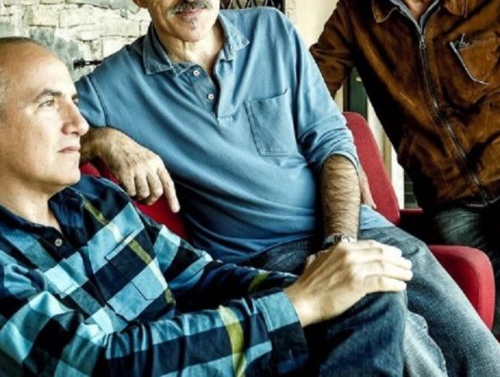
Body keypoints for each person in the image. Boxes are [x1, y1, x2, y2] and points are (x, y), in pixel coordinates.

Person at [75, 0, 500, 374]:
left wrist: (340, 243)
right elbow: (36, 133)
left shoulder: (271, 30)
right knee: (400, 331)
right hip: (262, 258)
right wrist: (101, 139)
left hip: (355, 226)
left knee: (478, 351)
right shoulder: (113, 85)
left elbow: (330, 140)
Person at [0, 36, 417, 375]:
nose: (79, 124)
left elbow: (197, 275)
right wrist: (296, 305)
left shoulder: (97, 200)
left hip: (214, 357)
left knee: (369, 293)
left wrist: (315, 287)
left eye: (74, 101)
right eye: (48, 103)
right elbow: (102, 364)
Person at [310, 0, 500, 336]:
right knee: (485, 327)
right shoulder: (354, 17)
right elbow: (307, 93)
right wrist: (341, 154)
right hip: (451, 202)